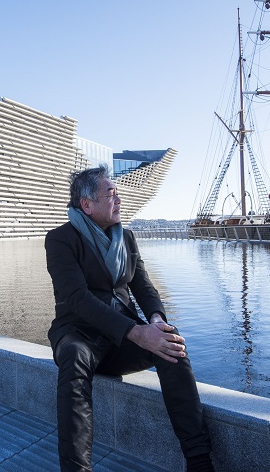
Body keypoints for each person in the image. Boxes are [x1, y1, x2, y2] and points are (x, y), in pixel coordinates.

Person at [44, 165, 214, 472]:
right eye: (110, 193)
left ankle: (200, 462)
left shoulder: (127, 238)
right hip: (78, 333)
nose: (118, 198)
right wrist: (137, 332)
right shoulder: (60, 239)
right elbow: (77, 299)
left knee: (171, 344)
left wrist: (157, 320)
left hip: (119, 339)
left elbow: (144, 287)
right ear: (87, 205)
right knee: (73, 356)